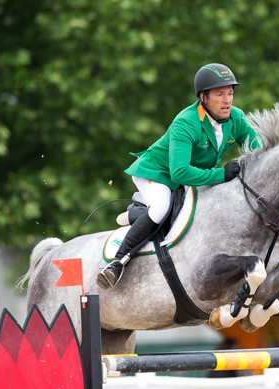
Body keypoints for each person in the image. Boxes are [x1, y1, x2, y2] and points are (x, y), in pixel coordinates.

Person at [97, 63, 261, 288]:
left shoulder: (236, 118)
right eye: (220, 94)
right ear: (203, 97)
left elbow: (260, 149)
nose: (227, 100)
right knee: (161, 207)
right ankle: (117, 262)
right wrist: (221, 174)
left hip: (190, 177)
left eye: (230, 93)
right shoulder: (186, 122)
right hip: (157, 172)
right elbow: (180, 172)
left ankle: (138, 214)